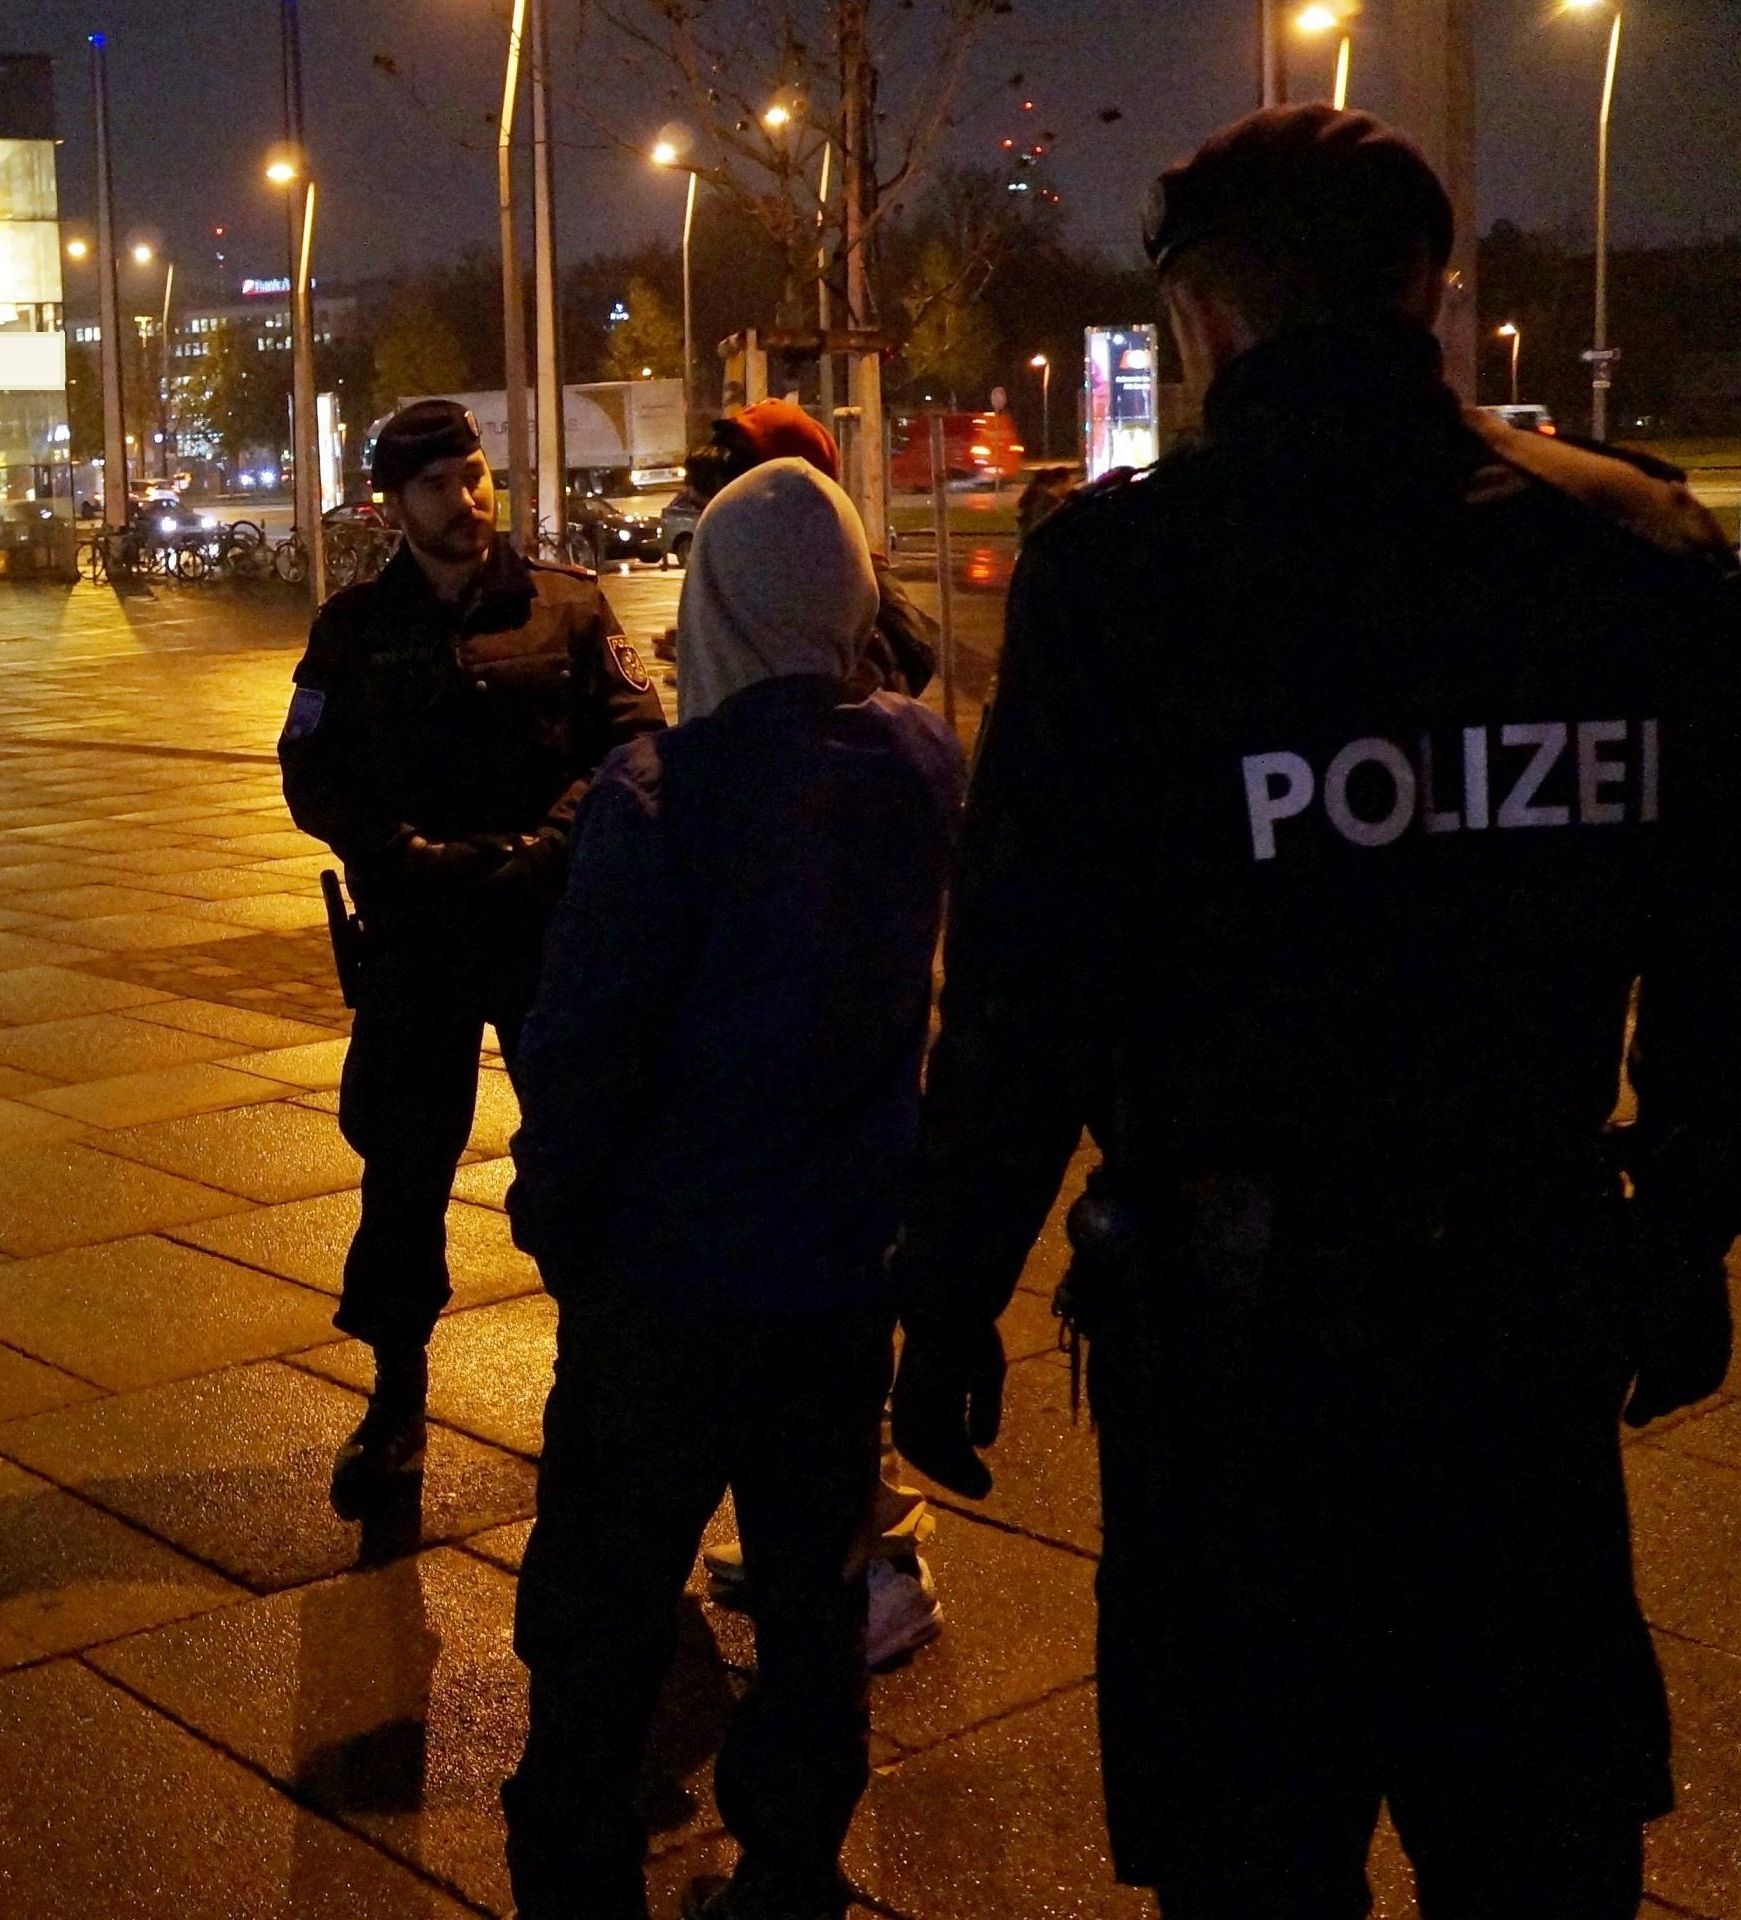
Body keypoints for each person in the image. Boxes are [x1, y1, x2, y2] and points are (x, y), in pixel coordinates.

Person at [888, 106, 1740, 1919]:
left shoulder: (1130, 583)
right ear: (1430, 290)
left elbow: (1027, 990)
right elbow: (1721, 949)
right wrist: (1684, 1226)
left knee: (1250, 1857)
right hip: (1519, 1339)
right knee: (1537, 1849)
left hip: (1239, 1375)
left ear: (1202, 318)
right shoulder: (1634, 554)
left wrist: (947, 1291)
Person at [500, 459, 963, 1920]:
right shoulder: (919, 763)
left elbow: (582, 1055)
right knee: (813, 1594)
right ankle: (793, 1858)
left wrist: (559, 1224)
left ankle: (580, 1854)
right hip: (836, 1279)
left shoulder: (659, 798)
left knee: (604, 1598)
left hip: (670, 1278)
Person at [278, 399, 664, 1510]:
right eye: (438, 484)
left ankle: (598, 1388)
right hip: (415, 937)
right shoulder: (352, 628)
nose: (468, 498)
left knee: (585, 1157)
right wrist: (390, 849)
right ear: (394, 504)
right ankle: (397, 1401)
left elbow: (634, 741)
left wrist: (551, 842)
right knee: (403, 1173)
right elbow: (311, 768)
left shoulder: (569, 607)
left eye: (475, 474)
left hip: (547, 930)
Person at [655, 399, 939, 701]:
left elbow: (811, 717)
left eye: (723, 510)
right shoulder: (781, 595)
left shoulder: (870, 627)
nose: (712, 530)